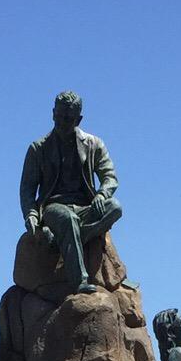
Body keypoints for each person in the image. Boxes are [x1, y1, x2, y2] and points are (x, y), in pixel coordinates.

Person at [18, 90, 122, 293]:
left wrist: (102, 195)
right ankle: (79, 280)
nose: (62, 122)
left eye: (68, 118)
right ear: (52, 113)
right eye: (59, 116)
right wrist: (31, 214)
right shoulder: (38, 148)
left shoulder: (93, 144)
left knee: (115, 208)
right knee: (67, 219)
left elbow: (110, 177)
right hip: (54, 208)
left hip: (86, 207)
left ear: (79, 119)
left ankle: (63, 241)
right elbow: (27, 188)